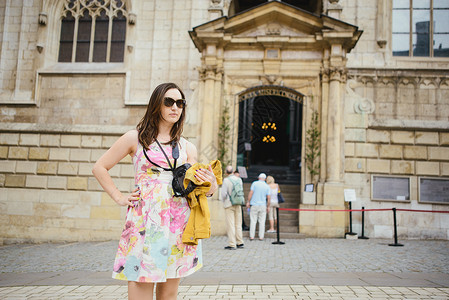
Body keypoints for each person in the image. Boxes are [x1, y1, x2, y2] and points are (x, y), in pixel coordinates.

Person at [92, 82, 218, 300]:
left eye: (180, 103)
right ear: (156, 105)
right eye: (168, 102)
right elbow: (100, 167)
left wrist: (211, 186)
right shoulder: (136, 138)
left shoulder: (187, 147)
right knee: (140, 289)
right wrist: (119, 197)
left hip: (178, 225)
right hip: (145, 224)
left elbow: (194, 189)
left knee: (168, 296)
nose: (175, 107)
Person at [220, 166, 244, 250]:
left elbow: (223, 193)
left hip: (229, 204)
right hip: (238, 203)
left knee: (231, 224)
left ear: (226, 172)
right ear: (233, 171)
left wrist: (223, 201)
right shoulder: (239, 179)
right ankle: (240, 242)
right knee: (238, 224)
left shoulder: (226, 180)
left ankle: (232, 244)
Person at [246, 173, 270, 241]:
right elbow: (268, 198)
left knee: (253, 221)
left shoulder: (254, 183)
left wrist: (248, 201)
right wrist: (268, 206)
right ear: (265, 179)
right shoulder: (267, 186)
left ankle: (252, 236)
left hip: (254, 204)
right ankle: (261, 236)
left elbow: (251, 193)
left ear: (259, 178)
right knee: (262, 222)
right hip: (263, 205)